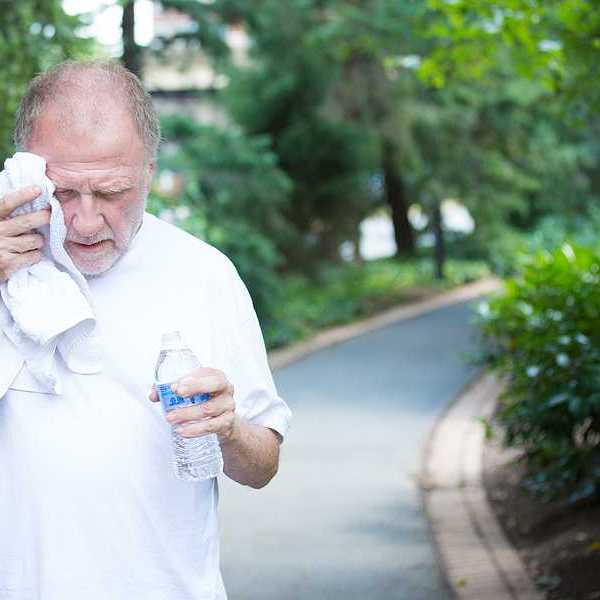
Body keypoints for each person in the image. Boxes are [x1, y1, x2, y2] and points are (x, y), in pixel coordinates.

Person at [0, 59, 291, 600]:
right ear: (24, 173)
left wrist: (228, 429)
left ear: (150, 172)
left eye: (112, 193)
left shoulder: (204, 275)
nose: (86, 223)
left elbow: (262, 466)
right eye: (63, 193)